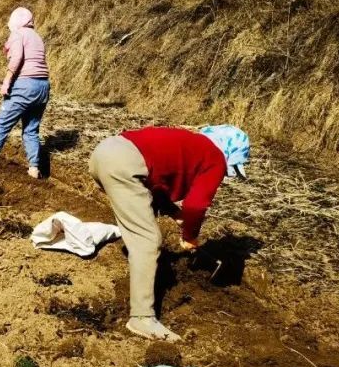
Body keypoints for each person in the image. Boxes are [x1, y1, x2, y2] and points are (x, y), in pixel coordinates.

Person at [88, 124, 251, 342]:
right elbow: (196, 205)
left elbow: (157, 181)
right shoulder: (216, 158)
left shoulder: (193, 145)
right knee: (147, 240)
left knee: (145, 218)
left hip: (104, 153)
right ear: (231, 154)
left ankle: (145, 275)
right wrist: (189, 235)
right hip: (124, 165)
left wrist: (175, 213)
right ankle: (141, 318)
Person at [0, 7, 50, 178]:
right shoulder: (37, 37)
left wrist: (7, 80)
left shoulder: (18, 34)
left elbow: (17, 57)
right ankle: (34, 168)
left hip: (24, 86)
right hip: (43, 87)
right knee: (31, 130)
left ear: (16, 21)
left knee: (2, 124)